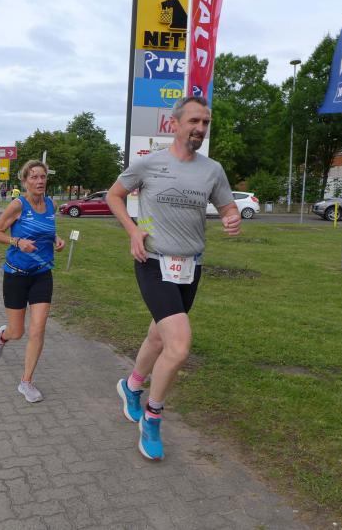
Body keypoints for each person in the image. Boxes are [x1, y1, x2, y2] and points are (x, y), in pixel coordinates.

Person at [105, 96, 241, 460]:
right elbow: (114, 195)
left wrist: (232, 218)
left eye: (205, 123)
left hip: (190, 266)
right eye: (194, 121)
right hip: (152, 261)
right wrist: (133, 230)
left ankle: (132, 386)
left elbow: (227, 206)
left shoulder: (212, 170)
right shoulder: (149, 164)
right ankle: (152, 417)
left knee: (158, 335)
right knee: (178, 346)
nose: (200, 128)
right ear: (174, 124)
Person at [0, 160, 65, 403]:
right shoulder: (18, 205)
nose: (39, 181)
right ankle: (3, 336)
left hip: (42, 274)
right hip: (16, 275)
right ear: (24, 181)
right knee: (18, 331)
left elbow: (47, 229)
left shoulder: (51, 203)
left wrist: (56, 239)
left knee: (38, 328)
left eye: (43, 177)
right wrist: (17, 242)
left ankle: (26, 381)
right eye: (34, 177)